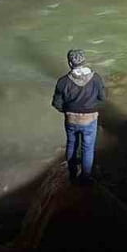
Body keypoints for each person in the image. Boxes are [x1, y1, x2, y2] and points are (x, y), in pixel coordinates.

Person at [51, 50, 106, 184]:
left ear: (70, 63)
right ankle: (86, 177)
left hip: (71, 119)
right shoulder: (96, 78)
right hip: (90, 118)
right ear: (84, 61)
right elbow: (102, 98)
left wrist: (67, 110)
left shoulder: (63, 82)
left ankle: (72, 175)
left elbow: (56, 103)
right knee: (87, 148)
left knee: (71, 145)